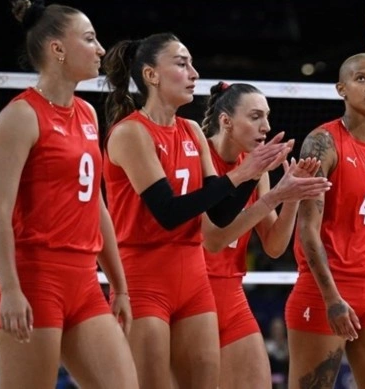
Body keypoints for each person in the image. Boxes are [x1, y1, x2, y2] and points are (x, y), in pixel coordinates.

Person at [101, 33, 296, 388]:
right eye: (182, 63)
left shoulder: (191, 130)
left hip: (193, 283)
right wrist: (243, 174)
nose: (194, 72)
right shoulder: (130, 133)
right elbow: (169, 212)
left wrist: (255, 174)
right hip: (144, 281)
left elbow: (220, 213)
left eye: (192, 63)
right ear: (151, 75)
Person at [0, 0, 138, 388]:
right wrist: (10, 289)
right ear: (58, 49)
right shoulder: (21, 115)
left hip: (84, 282)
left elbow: (96, 206)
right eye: (89, 38)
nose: (100, 49)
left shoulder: (87, 113)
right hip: (34, 279)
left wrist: (119, 285)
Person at [285, 53, 365, 389]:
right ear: (341, 88)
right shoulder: (322, 142)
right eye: (361, 79)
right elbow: (307, 229)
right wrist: (331, 299)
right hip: (327, 286)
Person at [200, 81, 331, 389]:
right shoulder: (198, 155)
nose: (267, 127)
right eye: (256, 116)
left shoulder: (257, 166)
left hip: (232, 295)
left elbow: (274, 246)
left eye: (267, 116)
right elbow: (214, 240)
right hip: (194, 293)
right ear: (226, 121)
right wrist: (274, 197)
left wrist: (291, 196)